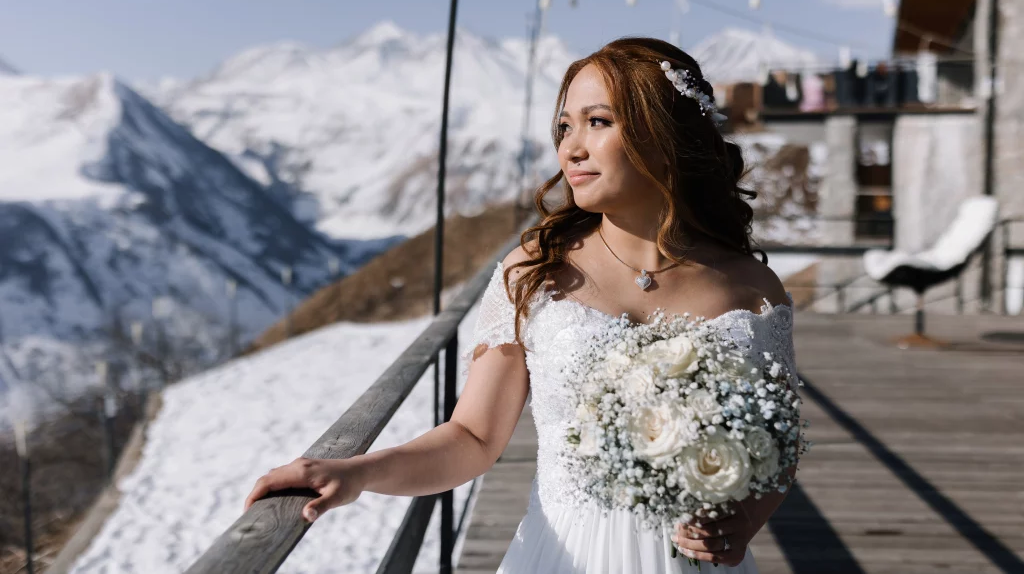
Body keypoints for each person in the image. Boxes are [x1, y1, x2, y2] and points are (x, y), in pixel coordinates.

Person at [245, 38, 799, 573]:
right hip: (562, 557)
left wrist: (744, 519)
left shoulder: (752, 289)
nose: (571, 148)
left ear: (667, 135)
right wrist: (357, 473)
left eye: (598, 121)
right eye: (564, 127)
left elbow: (777, 444)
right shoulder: (533, 271)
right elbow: (472, 439)